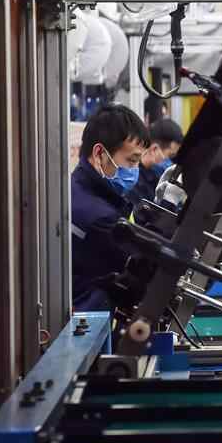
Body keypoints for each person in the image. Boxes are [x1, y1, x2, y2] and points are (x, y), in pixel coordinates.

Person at [71, 104, 150, 311]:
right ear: (100, 154)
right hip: (87, 318)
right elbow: (147, 273)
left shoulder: (75, 189)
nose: (135, 171)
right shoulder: (99, 217)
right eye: (131, 161)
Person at [127, 118, 183, 206]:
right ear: (154, 149)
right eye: (171, 156)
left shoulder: (155, 178)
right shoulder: (131, 180)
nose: (172, 163)